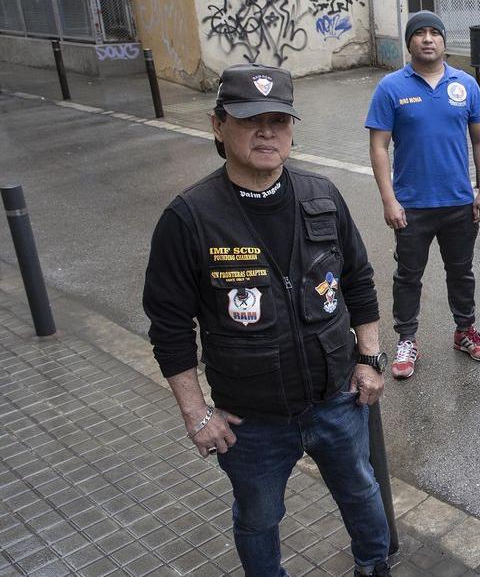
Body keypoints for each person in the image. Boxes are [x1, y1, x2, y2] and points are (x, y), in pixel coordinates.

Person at [142, 64, 392, 577]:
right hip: (251, 424)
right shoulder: (189, 218)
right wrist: (196, 414)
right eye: (250, 118)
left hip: (336, 402)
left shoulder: (322, 195)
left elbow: (360, 282)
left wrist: (369, 358)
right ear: (218, 126)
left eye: (279, 119)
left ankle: (374, 566)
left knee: (362, 492)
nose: (266, 131)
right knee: (258, 518)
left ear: (293, 128)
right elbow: (169, 329)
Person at [366, 10, 480, 379]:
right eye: (419, 33)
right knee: (408, 275)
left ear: (443, 40)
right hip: (412, 206)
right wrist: (389, 200)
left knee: (461, 272)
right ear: (409, 43)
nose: (427, 39)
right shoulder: (391, 87)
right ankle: (407, 338)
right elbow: (379, 147)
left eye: (434, 33)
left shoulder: (465, 84)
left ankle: (465, 330)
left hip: (458, 202)